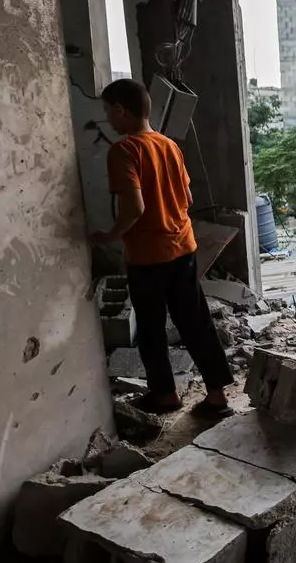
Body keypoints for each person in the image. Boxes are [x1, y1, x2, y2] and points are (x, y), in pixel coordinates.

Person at [90, 79, 234, 418]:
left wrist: (110, 235)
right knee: (196, 322)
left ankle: (166, 396)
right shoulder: (169, 145)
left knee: (152, 329)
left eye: (108, 110)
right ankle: (217, 397)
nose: (107, 118)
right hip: (183, 248)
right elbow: (188, 198)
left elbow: (135, 207)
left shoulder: (124, 150)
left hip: (148, 257)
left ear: (121, 110)